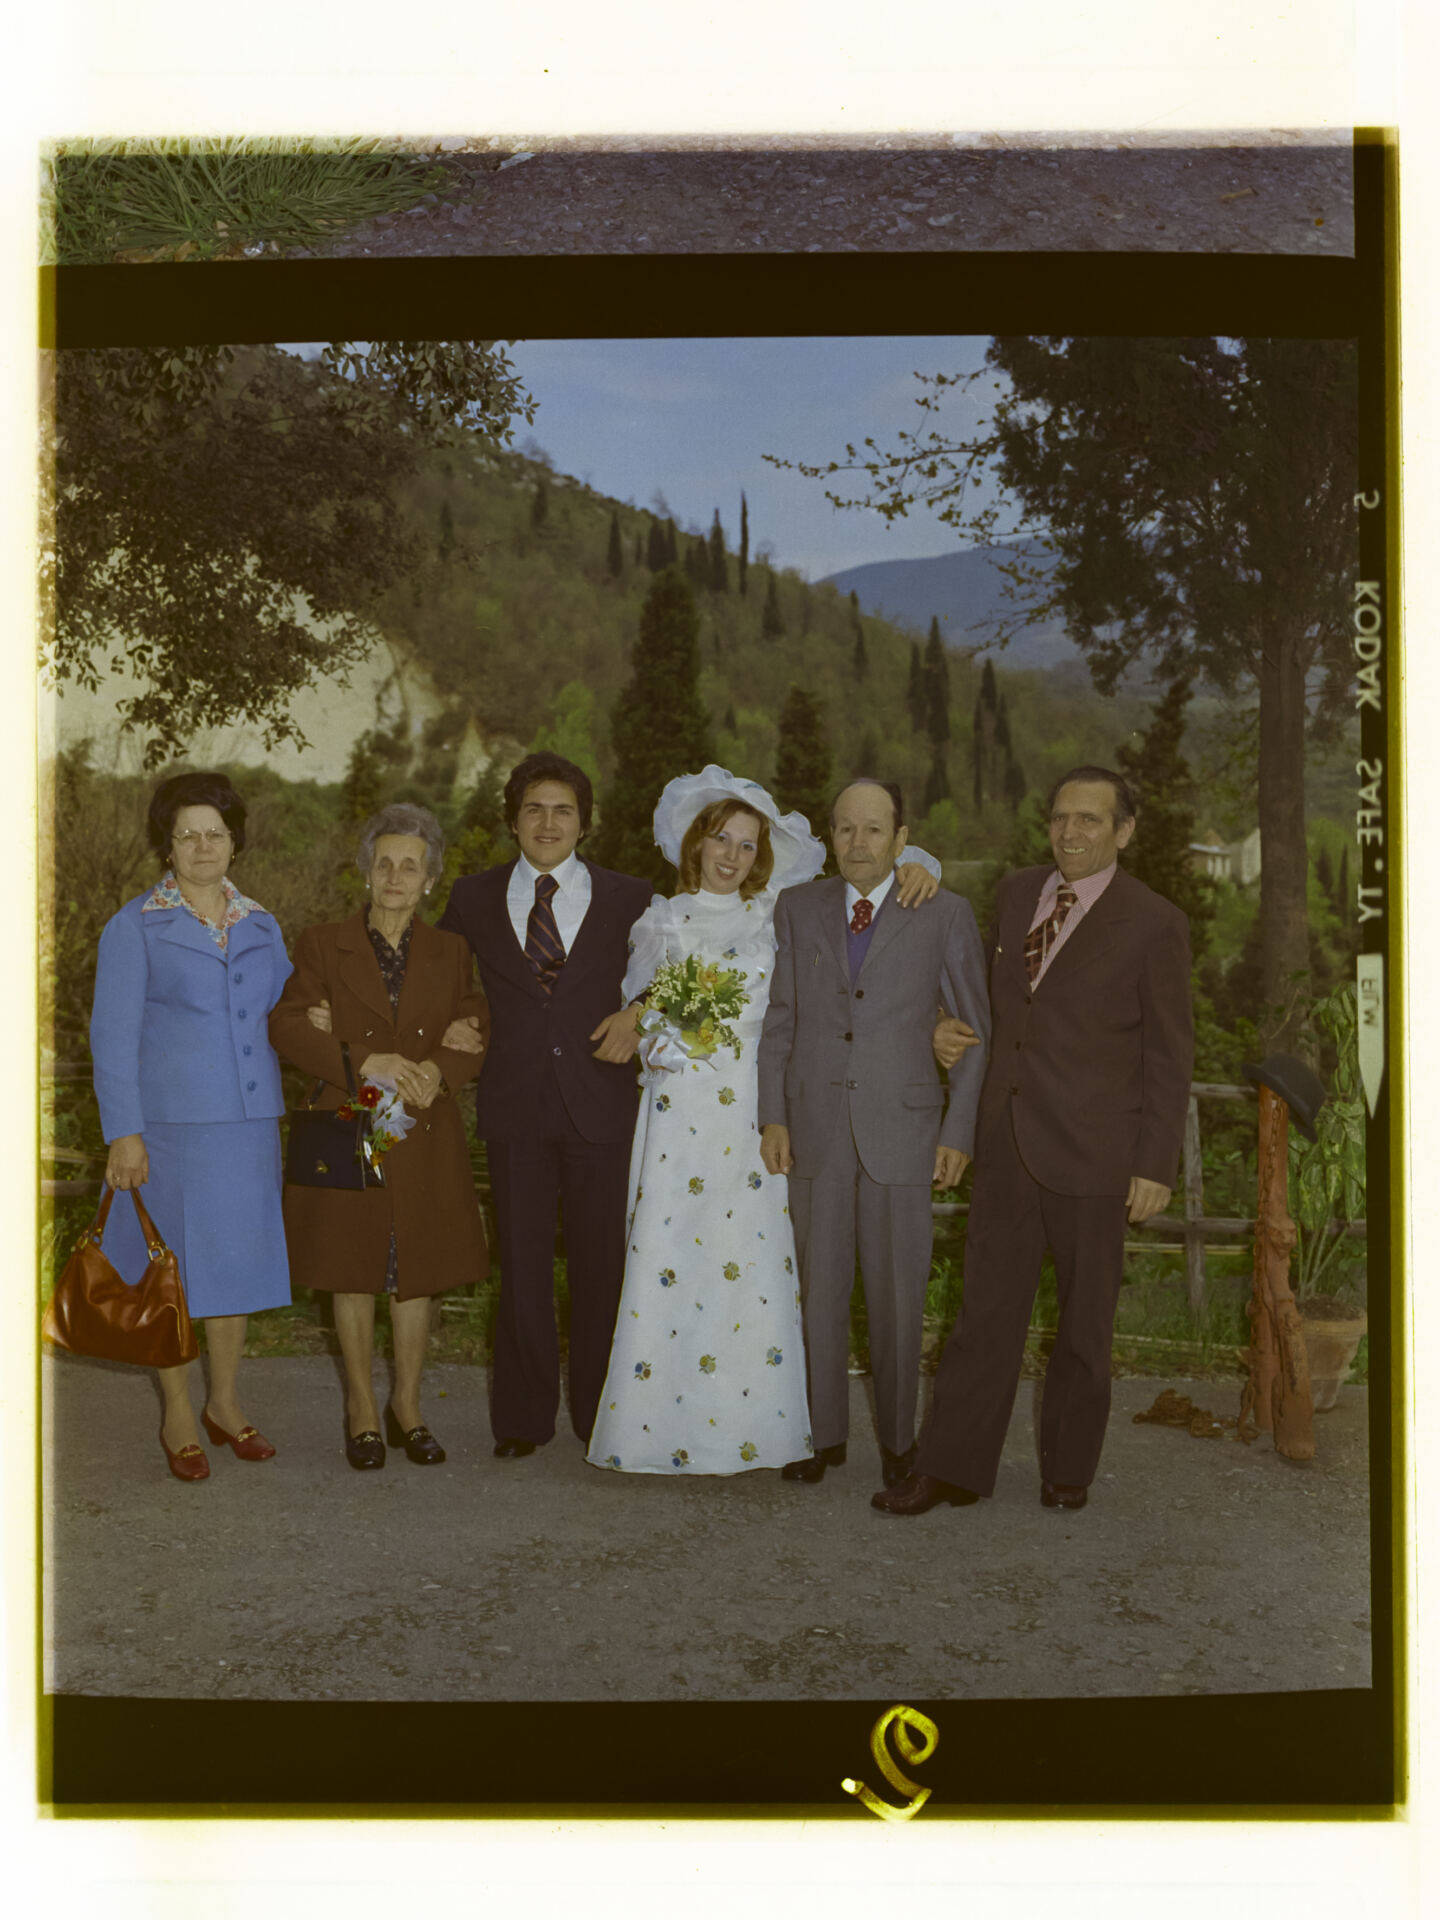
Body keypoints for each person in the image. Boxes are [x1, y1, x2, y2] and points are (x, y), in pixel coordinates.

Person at [585, 768, 943, 1476]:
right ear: (696, 841)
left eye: (748, 845)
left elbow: (875, 871)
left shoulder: (776, 909)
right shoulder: (661, 920)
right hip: (683, 1116)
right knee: (677, 1263)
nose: (732, 856)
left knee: (756, 1267)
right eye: (721, 839)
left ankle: (761, 1427)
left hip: (758, 1115)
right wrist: (648, 1020)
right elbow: (646, 1016)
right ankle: (661, 1428)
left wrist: (920, 869)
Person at [872, 766, 1194, 1518]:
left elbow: (1170, 1054)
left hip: (1098, 1154)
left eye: (1090, 820)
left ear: (1124, 831)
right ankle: (950, 1469)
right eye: (1060, 818)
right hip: (1009, 1143)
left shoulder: (1155, 922)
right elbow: (988, 1006)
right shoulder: (1018, 893)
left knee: (1085, 1325)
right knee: (982, 1316)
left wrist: (1155, 1164)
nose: (1070, 832)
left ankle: (1068, 1470)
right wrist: (942, 1026)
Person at [757, 778, 991, 1491]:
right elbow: (780, 1020)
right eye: (845, 828)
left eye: (874, 829)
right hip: (815, 1131)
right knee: (816, 1292)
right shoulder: (797, 908)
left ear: (901, 837)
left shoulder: (944, 913)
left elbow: (974, 1033)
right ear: (830, 835)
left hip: (905, 1132)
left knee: (897, 1297)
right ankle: (819, 1434)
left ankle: (898, 1442)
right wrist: (774, 1115)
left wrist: (958, 1131)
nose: (858, 843)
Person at [437, 752, 654, 1458]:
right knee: (522, 1269)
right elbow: (440, 982)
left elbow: (681, 971)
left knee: (603, 1268)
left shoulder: (632, 898)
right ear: (513, 821)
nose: (548, 822)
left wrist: (642, 1013)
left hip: (602, 1106)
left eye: (564, 810)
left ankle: (601, 1416)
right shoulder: (472, 897)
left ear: (586, 824)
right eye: (534, 809)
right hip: (515, 1107)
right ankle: (522, 1419)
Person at [269, 803, 490, 1469]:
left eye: (410, 867)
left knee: (416, 1274)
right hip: (352, 1123)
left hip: (421, 1128)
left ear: (430, 881)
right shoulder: (321, 944)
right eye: (385, 863)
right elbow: (287, 1026)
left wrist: (439, 1069)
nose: (396, 877)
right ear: (366, 872)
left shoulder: (452, 952)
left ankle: (409, 1408)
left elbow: (477, 1026)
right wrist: (367, 1061)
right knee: (352, 1268)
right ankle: (362, 1409)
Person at [91, 770, 292, 1482]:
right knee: (170, 1276)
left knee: (234, 1269)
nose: (204, 846)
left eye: (216, 833)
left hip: (248, 1127)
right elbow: (112, 1037)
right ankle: (177, 1411)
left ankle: (225, 1404)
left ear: (234, 842)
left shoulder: (263, 924)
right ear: (167, 845)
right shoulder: (135, 925)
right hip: (169, 1133)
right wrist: (125, 1132)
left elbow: (286, 1015)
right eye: (188, 835)